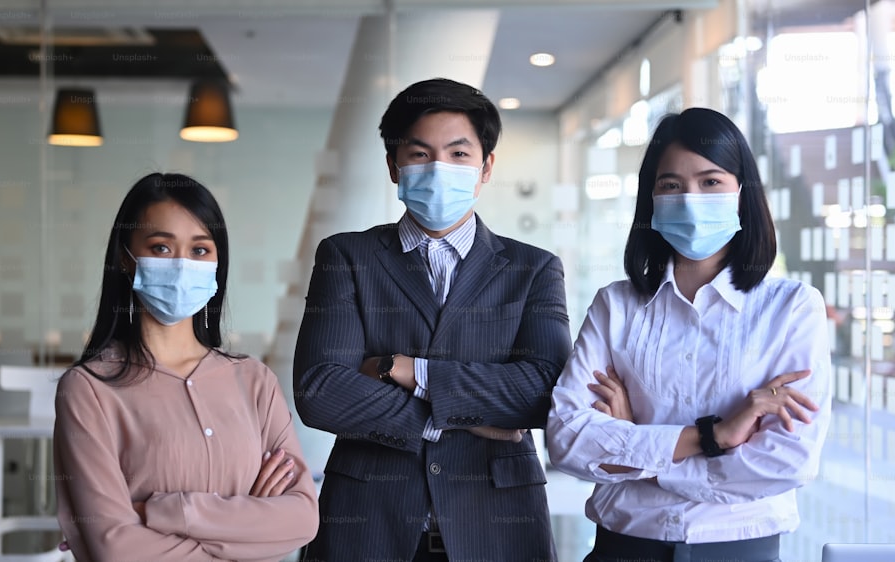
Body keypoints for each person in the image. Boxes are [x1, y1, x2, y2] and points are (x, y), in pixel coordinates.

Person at [293, 77, 571, 562]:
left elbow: (544, 391)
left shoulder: (533, 268)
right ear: (393, 166)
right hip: (369, 521)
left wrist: (403, 369)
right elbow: (320, 390)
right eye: (420, 153)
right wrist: (450, 417)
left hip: (497, 523)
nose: (440, 168)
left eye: (459, 154)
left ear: (485, 167)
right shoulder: (347, 257)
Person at [546, 107, 832, 562]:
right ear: (651, 199)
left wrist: (637, 446)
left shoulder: (792, 307)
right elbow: (565, 439)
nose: (690, 198)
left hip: (739, 552)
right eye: (671, 185)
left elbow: (787, 461)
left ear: (742, 192)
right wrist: (711, 439)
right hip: (622, 550)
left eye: (710, 181)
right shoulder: (615, 305)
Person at [54, 172, 319, 561]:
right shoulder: (88, 389)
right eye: (161, 248)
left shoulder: (254, 381)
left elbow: (301, 519)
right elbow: (117, 550)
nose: (182, 265)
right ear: (126, 259)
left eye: (199, 250)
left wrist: (167, 513)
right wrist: (249, 527)